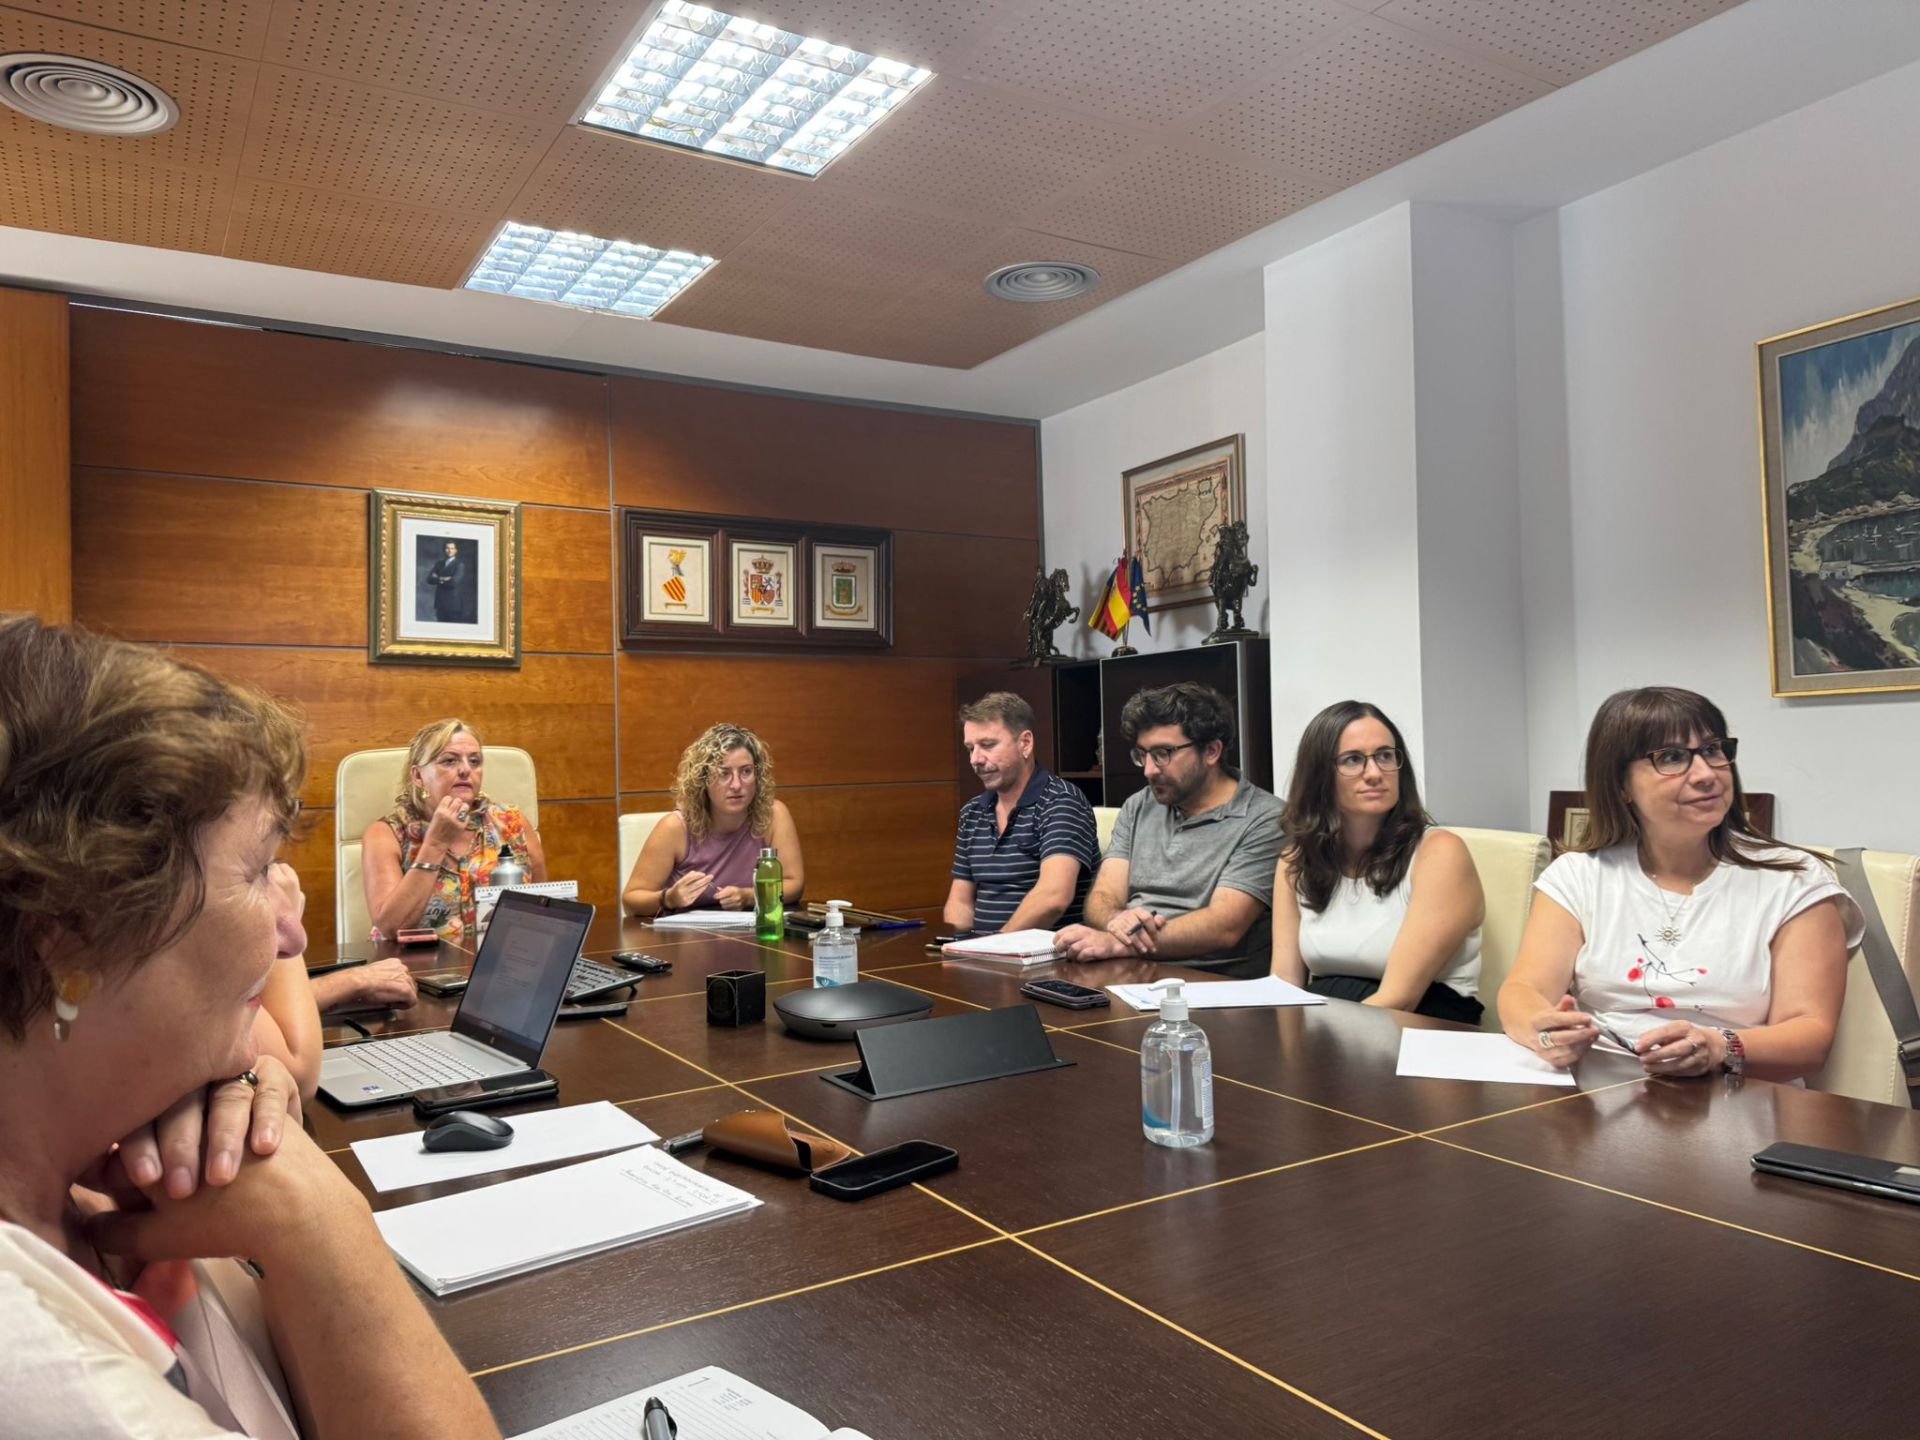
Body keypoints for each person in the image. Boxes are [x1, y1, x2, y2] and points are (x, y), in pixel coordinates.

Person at [0, 615, 498, 1439]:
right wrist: (319, 1222)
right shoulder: (53, 1382)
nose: (294, 937)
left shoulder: (98, 1168)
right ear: (73, 929)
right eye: (260, 866)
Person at [1499, 686, 1862, 1082]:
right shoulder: (1578, 875)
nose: (1706, 774)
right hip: (1598, 1100)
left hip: (1736, 1100)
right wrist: (1545, 1031)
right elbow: (1522, 990)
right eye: (1672, 757)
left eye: (1713, 750)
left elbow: (1811, 1038)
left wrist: (1719, 1047)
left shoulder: (1793, 880)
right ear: (1621, 785)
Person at [1269, 701, 1486, 1023]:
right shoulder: (1296, 859)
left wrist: (1313, 1049)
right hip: (1329, 1023)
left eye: (1385, 755)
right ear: (1319, 776)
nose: (1374, 774)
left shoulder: (1440, 853)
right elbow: (1284, 984)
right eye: (1353, 760)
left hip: (1421, 1030)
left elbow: (1400, 998)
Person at [1054, 682, 1283, 977]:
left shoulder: (1265, 818)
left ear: (1212, 751)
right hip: (1127, 971)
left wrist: (1121, 943)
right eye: (1142, 754)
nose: (1148, 769)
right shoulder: (1138, 805)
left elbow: (1224, 926)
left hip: (1212, 985)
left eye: (1163, 753)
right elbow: (1103, 896)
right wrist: (1116, 922)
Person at [361, 718, 547, 942]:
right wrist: (436, 844)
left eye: (475, 761)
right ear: (418, 776)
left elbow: (544, 909)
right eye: (449, 761)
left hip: (498, 966)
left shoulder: (511, 823)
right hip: (416, 970)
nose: (466, 770)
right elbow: (391, 927)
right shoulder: (386, 834)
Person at [944, 692, 1100, 933]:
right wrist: (957, 946)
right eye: (970, 748)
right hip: (981, 957)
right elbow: (959, 901)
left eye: (987, 745)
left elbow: (1053, 898)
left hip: (1047, 960)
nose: (975, 759)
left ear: (1025, 743)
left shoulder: (1061, 802)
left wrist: (995, 946)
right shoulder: (972, 812)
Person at [623, 723, 804, 917]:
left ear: (757, 775)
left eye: (746, 771)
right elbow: (632, 900)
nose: (736, 785)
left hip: (751, 934)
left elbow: (794, 884)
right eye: (723, 773)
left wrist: (749, 896)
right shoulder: (675, 827)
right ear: (703, 779)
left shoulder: (773, 815)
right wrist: (669, 898)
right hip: (684, 941)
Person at [425, 540, 467, 623]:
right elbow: (429, 579)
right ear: (444, 550)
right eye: (447, 548)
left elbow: (453, 583)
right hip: (440, 603)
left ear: (456, 550)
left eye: (452, 548)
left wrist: (438, 578)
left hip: (453, 604)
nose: (449, 550)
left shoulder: (459, 565)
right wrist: (443, 579)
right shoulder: (439, 564)